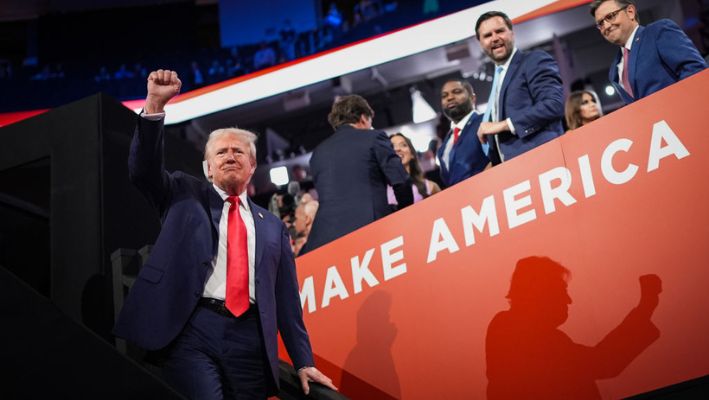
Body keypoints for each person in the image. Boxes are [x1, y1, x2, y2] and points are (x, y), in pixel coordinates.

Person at [113, 70, 335, 399]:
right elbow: (143, 170)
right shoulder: (183, 193)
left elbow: (287, 299)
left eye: (238, 151)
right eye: (220, 152)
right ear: (208, 168)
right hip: (193, 329)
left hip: (251, 341)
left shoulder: (272, 225)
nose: (230, 155)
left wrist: (303, 360)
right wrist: (155, 106)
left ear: (252, 165)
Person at [486, 256, 662, 399]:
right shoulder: (515, 330)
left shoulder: (514, 329)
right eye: (562, 290)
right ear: (542, 292)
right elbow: (603, 362)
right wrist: (645, 308)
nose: (569, 300)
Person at [301, 95, 413, 254]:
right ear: (363, 118)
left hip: (326, 242)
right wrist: (405, 214)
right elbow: (400, 181)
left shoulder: (317, 154)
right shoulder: (374, 137)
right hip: (372, 232)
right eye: (370, 123)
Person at [475, 11, 564, 165]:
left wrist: (504, 125)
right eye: (488, 35)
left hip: (544, 161)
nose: (495, 38)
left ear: (512, 33)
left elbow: (553, 104)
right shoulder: (498, 78)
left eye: (500, 31)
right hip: (513, 172)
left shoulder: (533, 61)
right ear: (480, 43)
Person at [590, 0, 707, 105]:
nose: (606, 26)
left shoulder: (658, 31)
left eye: (610, 16)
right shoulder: (613, 71)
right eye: (600, 23)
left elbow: (695, 71)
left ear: (630, 12)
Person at [437, 79, 490, 187]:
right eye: (444, 95)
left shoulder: (485, 121)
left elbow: (498, 157)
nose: (450, 97)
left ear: (472, 98)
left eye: (457, 92)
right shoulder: (443, 146)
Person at [388, 133, 440, 204]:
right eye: (392, 146)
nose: (397, 149)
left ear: (412, 154)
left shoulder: (430, 187)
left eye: (403, 145)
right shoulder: (382, 191)